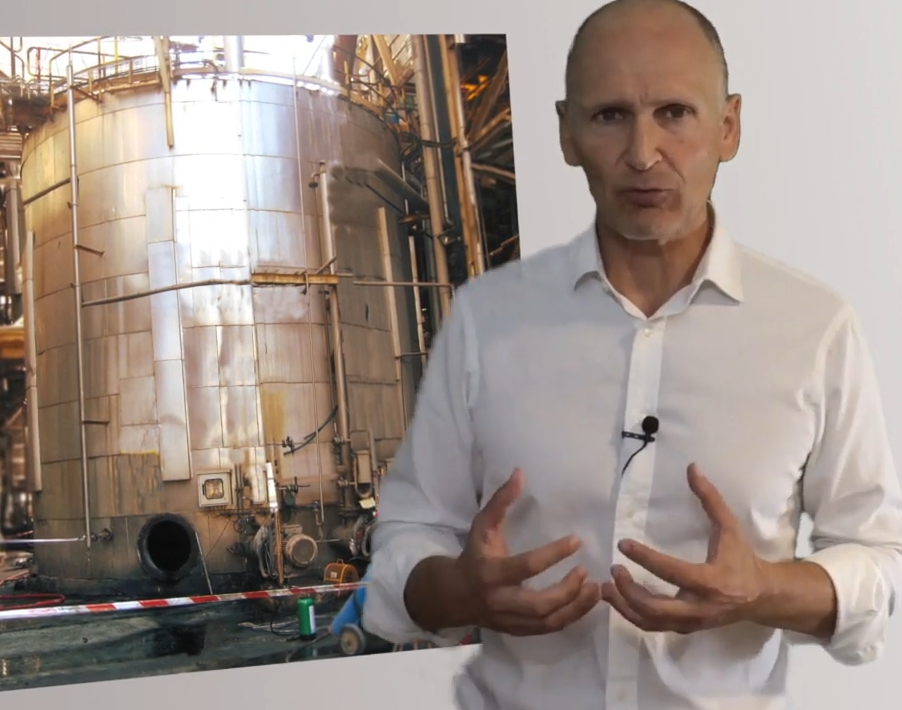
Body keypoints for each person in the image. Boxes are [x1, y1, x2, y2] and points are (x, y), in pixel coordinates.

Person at [361, 1, 902, 708]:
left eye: (674, 112)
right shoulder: (485, 322)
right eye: (610, 115)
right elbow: (405, 541)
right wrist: (458, 590)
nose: (643, 153)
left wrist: (764, 589)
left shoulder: (814, 328)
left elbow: (879, 560)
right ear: (566, 133)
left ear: (729, 126)